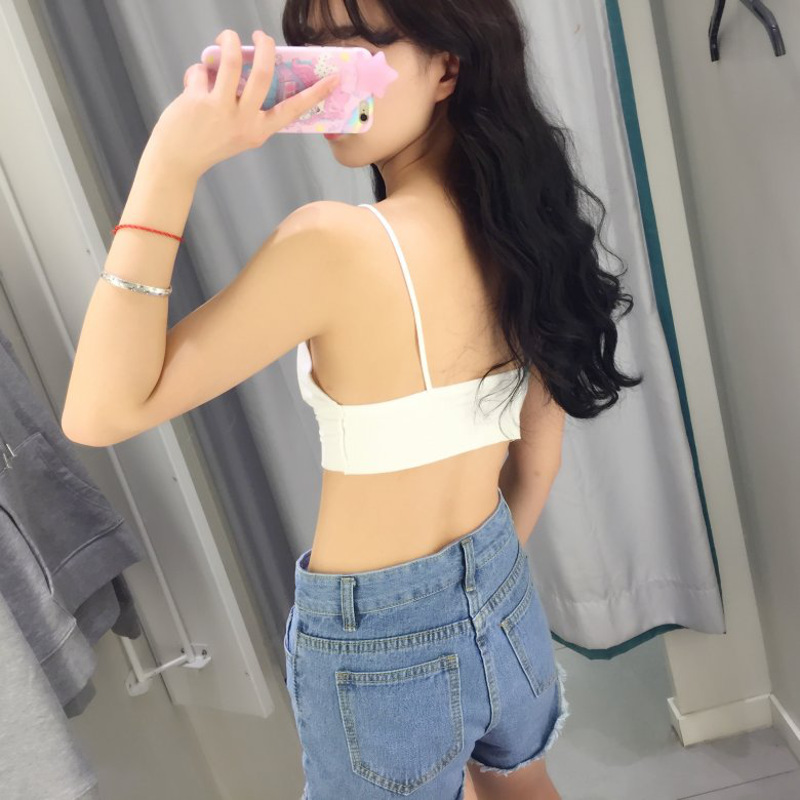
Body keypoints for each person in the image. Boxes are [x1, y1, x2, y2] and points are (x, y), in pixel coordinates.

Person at [63, 1, 643, 798]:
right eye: (312, 51)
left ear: (447, 66)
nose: (330, 82)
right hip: (500, 586)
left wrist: (170, 163)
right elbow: (538, 464)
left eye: (355, 49)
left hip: (379, 642)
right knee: (523, 787)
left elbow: (98, 413)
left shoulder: (331, 245)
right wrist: (469, 599)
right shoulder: (526, 229)